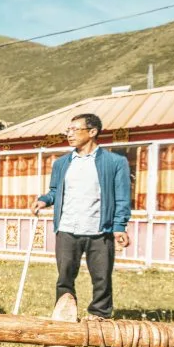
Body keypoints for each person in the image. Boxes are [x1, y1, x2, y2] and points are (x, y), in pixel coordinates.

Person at [31, 113, 131, 318]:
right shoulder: (62, 163)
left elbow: (122, 197)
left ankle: (99, 315)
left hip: (100, 230)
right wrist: (44, 200)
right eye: (68, 130)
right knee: (65, 276)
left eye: (75, 129)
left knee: (102, 277)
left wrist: (120, 227)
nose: (70, 134)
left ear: (92, 132)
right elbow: (55, 191)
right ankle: (65, 313)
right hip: (67, 229)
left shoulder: (115, 162)